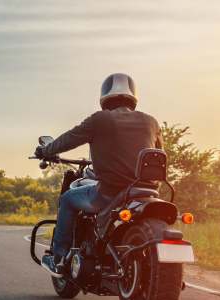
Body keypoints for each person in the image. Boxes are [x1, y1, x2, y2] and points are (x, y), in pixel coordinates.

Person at [34, 73, 163, 277]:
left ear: (105, 96)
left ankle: (58, 258)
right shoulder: (151, 122)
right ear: (133, 97)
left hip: (110, 192)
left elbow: (69, 139)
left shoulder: (100, 119)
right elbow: (160, 156)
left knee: (68, 199)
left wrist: (46, 150)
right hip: (147, 191)